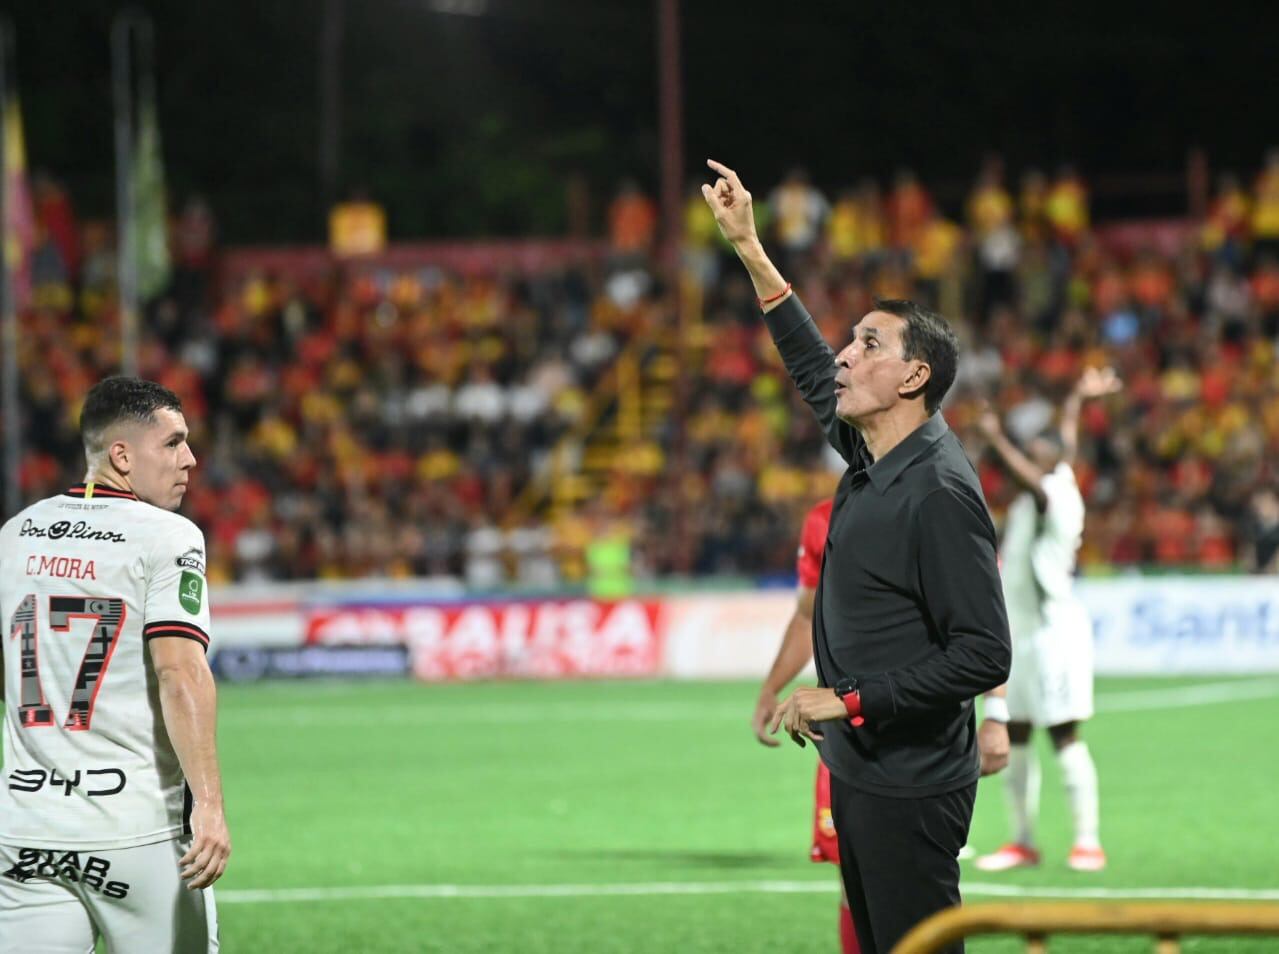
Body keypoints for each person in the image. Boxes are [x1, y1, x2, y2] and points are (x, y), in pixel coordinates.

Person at [703, 159, 1011, 954]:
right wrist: (749, 247)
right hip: (864, 767)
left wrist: (848, 699)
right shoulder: (873, 456)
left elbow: (982, 651)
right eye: (848, 341)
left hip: (910, 780)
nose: (842, 355)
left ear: (913, 375)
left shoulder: (939, 491)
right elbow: (808, 366)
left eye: (865, 344)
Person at [0, 377, 229, 952]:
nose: (190, 459)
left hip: (24, 830)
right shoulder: (167, 537)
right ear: (121, 456)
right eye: (173, 443)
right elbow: (180, 673)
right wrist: (210, 804)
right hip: (135, 833)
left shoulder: (15, 534)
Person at [974, 367, 1120, 874]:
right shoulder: (1057, 476)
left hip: (1055, 634)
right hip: (1022, 633)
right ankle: (1022, 841)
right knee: (1013, 733)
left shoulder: (1051, 491)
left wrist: (995, 441)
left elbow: (1033, 478)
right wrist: (1077, 397)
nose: (1032, 451)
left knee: (1064, 736)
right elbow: (1067, 442)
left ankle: (1087, 841)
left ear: (1049, 460)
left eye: (1038, 447)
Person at [751, 498, 860, 954]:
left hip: (908, 720)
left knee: (915, 877)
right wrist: (771, 688)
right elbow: (806, 614)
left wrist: (995, 713)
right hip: (842, 730)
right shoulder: (823, 518)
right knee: (853, 875)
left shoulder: (929, 499)